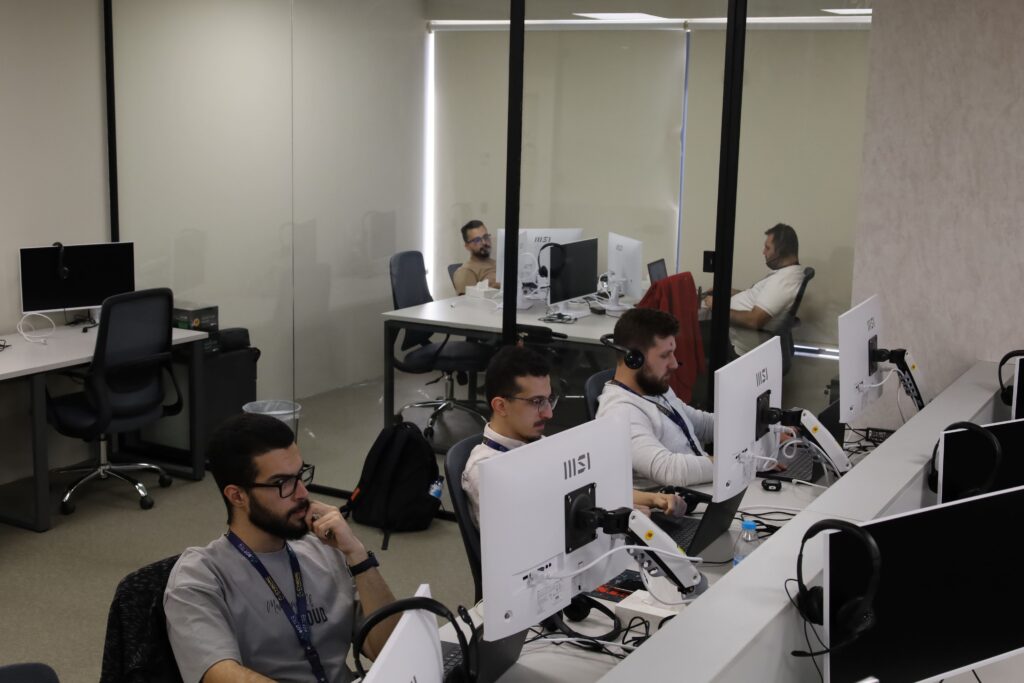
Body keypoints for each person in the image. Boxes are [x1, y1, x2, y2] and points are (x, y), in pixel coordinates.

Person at [164, 413, 397, 683]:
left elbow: (389, 650)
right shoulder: (199, 577)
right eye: (282, 483)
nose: (302, 493)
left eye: (300, 475)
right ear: (237, 496)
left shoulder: (324, 549)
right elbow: (220, 676)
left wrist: (358, 555)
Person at [461, 344, 677, 526]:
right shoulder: (486, 473)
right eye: (536, 402)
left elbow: (589, 489)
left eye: (549, 399)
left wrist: (652, 499)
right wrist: (614, 517)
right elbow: (532, 535)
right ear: (501, 406)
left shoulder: (535, 443)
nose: (548, 413)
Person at [596, 308, 716, 489]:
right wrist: (736, 462)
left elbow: (702, 424)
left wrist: (753, 423)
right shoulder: (620, 412)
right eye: (665, 355)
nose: (674, 364)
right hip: (676, 499)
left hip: (703, 486)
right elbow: (669, 470)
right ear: (633, 359)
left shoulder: (653, 387)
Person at [705, 223, 805, 355]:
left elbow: (755, 320)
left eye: (767, 248)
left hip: (734, 343)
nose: (763, 252)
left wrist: (718, 308)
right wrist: (728, 291)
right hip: (731, 334)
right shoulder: (787, 274)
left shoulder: (784, 281)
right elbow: (759, 298)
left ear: (782, 251)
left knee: (688, 333)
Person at [452, 219, 500, 295]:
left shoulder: (497, 263)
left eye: (486, 237)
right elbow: (467, 301)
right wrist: (492, 288)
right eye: (477, 240)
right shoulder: (465, 271)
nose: (484, 242)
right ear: (467, 246)